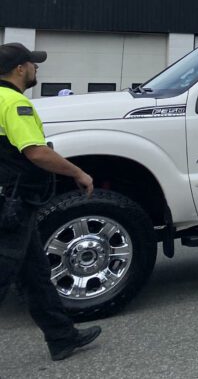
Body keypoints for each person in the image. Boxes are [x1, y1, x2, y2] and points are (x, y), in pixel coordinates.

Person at [0, 43, 102, 361]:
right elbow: (36, 151)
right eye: (33, 63)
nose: (37, 68)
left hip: (13, 201)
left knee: (35, 273)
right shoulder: (15, 103)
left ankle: (62, 337)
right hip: (12, 202)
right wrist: (78, 173)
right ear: (20, 68)